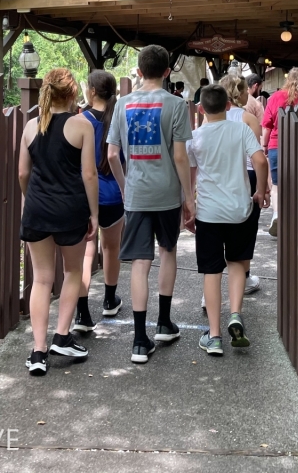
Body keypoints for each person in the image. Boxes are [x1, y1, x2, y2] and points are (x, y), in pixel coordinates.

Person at [107, 45, 195, 364]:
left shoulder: (122, 104)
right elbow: (181, 156)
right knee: (167, 252)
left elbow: (112, 154)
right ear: (168, 71)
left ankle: (139, 340)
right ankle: (164, 323)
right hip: (167, 194)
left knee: (139, 264)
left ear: (139, 72)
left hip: (137, 195)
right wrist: (188, 197)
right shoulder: (176, 104)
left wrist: (124, 185)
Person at [18, 68, 99, 375]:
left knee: (41, 279)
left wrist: (33, 198)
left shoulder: (30, 126)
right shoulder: (82, 125)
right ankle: (62, 335)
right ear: (73, 93)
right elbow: (88, 174)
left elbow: (23, 173)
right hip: (70, 209)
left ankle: (38, 353)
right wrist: (94, 213)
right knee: (73, 271)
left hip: (37, 209)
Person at [189, 84, 270, 355]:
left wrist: (189, 204)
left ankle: (213, 336)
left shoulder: (195, 137)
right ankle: (235, 314)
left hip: (209, 213)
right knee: (236, 262)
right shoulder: (241, 129)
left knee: (211, 271)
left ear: (201, 109)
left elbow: (190, 173)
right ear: (228, 106)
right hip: (240, 209)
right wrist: (259, 190)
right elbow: (260, 160)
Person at [74, 70, 125, 334]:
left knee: (86, 252)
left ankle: (82, 312)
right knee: (111, 248)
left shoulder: (78, 120)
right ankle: (109, 299)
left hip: (84, 194)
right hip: (115, 194)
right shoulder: (120, 118)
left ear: (92, 91)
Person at [260, 67, 298, 237]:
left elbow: (267, 125)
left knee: (277, 185)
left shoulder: (275, 97)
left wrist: (264, 145)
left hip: (277, 146)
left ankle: (277, 215)